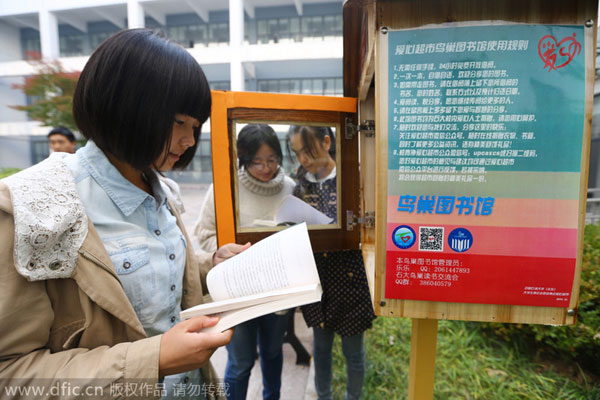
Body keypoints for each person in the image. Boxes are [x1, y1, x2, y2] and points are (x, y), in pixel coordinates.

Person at [0, 29, 248, 400]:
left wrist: (211, 264)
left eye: (195, 127)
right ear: (127, 107)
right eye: (179, 122)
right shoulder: (32, 206)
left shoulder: (164, 190)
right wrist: (153, 360)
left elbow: (158, 276)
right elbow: (11, 373)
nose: (191, 141)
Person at [194, 124, 295, 399]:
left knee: (274, 352)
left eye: (272, 160)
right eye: (257, 161)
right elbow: (203, 234)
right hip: (236, 291)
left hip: (277, 289)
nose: (266, 168)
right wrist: (228, 251)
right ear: (243, 158)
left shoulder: (290, 188)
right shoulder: (225, 187)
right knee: (240, 361)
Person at [287, 125, 376, 400]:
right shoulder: (298, 183)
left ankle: (354, 397)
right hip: (318, 283)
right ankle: (323, 396)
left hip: (351, 282)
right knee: (321, 351)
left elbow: (370, 225)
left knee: (354, 353)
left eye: (307, 149)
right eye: (296, 152)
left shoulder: (355, 177)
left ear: (326, 142)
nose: (302, 158)